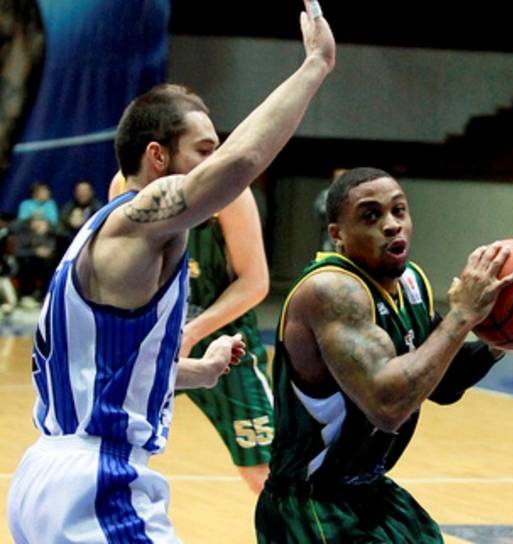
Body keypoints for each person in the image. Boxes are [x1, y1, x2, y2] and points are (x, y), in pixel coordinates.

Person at [6, 2, 335, 541]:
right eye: (204, 151)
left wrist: (197, 371)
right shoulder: (139, 217)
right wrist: (315, 66)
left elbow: (106, 371)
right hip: (98, 484)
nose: (215, 161)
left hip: (46, 477)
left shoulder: (105, 235)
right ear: (158, 158)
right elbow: (243, 162)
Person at [255, 167, 513, 543]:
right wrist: (462, 316)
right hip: (313, 505)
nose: (392, 224)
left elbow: (442, 382)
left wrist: (506, 339)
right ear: (337, 235)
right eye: (371, 215)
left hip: (370, 493)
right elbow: (387, 406)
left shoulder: (411, 282)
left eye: (399, 210)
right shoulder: (331, 291)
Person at [110, 171, 274, 494]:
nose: (210, 154)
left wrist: (190, 333)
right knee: (108, 446)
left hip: (224, 339)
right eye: (200, 147)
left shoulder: (230, 187)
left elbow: (255, 282)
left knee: (262, 469)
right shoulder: (125, 183)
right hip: (154, 339)